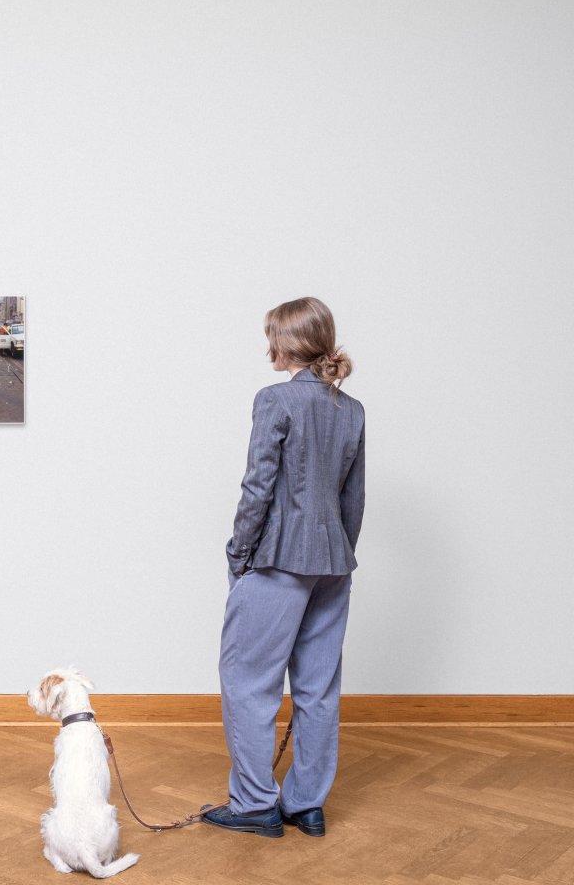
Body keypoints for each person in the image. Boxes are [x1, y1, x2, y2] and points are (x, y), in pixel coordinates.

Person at [202, 297, 365, 840]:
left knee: (249, 683)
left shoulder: (275, 400)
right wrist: (338, 554)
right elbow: (352, 500)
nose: (265, 345)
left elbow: (258, 487)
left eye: (270, 335)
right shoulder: (353, 410)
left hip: (277, 559)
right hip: (333, 563)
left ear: (287, 342)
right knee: (318, 688)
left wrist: (238, 554)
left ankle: (253, 804)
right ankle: (306, 805)